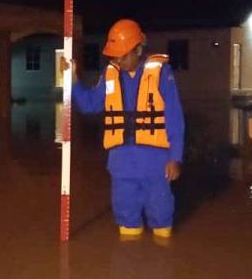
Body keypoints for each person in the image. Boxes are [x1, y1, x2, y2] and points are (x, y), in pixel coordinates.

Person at [64, 19, 185, 239]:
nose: (119, 60)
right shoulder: (110, 76)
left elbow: (174, 117)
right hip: (122, 165)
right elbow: (89, 104)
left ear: (138, 49)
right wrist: (73, 80)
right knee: (127, 227)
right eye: (115, 56)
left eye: (124, 55)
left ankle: (163, 265)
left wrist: (175, 157)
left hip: (156, 163)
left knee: (162, 224)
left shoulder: (161, 74)